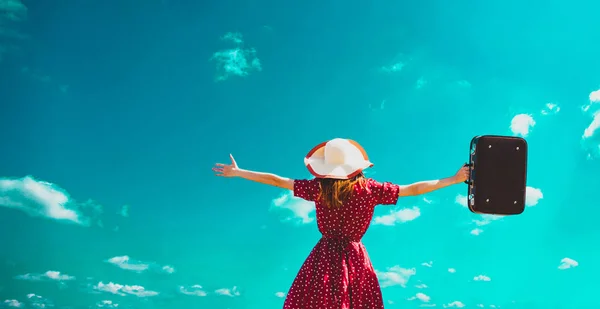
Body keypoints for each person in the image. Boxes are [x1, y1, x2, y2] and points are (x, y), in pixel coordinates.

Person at [212, 138, 469, 309]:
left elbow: (278, 181)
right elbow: (413, 189)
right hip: (355, 257)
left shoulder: (319, 189)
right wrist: (454, 179)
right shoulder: (370, 189)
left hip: (323, 256)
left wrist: (239, 172)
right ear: (357, 166)